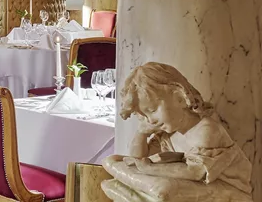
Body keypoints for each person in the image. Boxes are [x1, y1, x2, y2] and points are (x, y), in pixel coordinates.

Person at [102, 62, 251, 202]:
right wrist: (141, 133)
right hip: (189, 184)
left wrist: (148, 167)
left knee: (164, 189)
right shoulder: (167, 133)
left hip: (226, 191)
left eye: (152, 110)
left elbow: (195, 172)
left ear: (179, 97)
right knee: (112, 161)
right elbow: (138, 159)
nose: (150, 120)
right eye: (144, 116)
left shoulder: (206, 130)